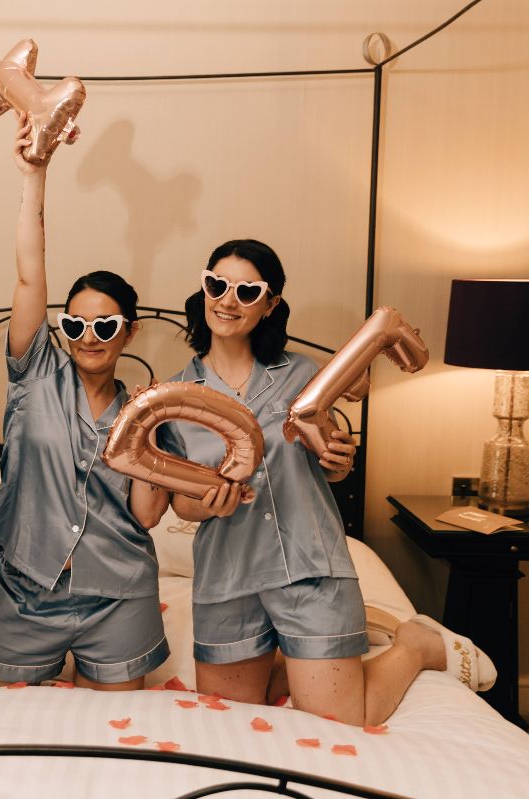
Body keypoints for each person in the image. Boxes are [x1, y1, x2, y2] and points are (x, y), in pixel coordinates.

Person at [161, 239, 492, 726]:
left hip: (310, 566)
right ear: (204, 288)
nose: (228, 301)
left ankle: (416, 645)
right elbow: (181, 506)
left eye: (247, 292)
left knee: (341, 721)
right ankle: (287, 666)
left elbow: (332, 464)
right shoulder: (176, 397)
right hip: (227, 577)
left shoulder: (303, 374)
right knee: (228, 721)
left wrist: (340, 458)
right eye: (218, 285)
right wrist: (210, 503)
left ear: (270, 304)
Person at [0, 114, 170, 692]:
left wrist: (145, 435)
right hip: (24, 588)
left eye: (107, 326)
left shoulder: (149, 410)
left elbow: (147, 517)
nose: (89, 337)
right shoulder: (34, 374)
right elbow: (30, 277)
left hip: (119, 595)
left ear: (130, 332)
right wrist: (35, 174)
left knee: (115, 737)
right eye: (75, 325)